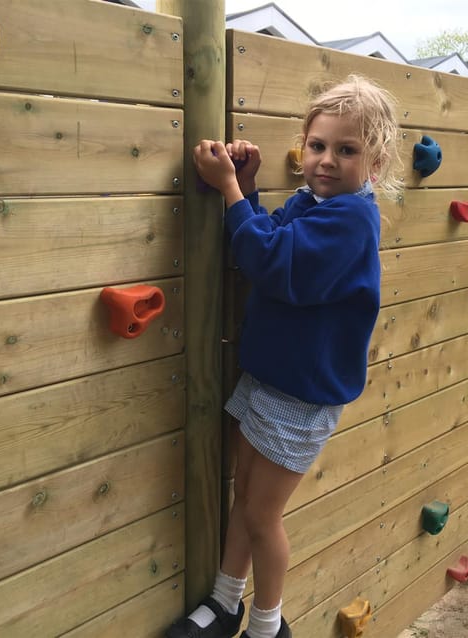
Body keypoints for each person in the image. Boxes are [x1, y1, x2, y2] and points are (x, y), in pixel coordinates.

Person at [166, 75, 403, 638]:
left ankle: (267, 626)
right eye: (318, 145)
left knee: (262, 514)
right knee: (244, 495)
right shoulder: (313, 202)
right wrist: (245, 190)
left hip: (301, 394)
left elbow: (270, 262)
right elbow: (267, 233)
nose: (326, 160)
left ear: (374, 162)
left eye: (346, 150)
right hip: (273, 377)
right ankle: (226, 603)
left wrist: (226, 188)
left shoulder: (350, 220)